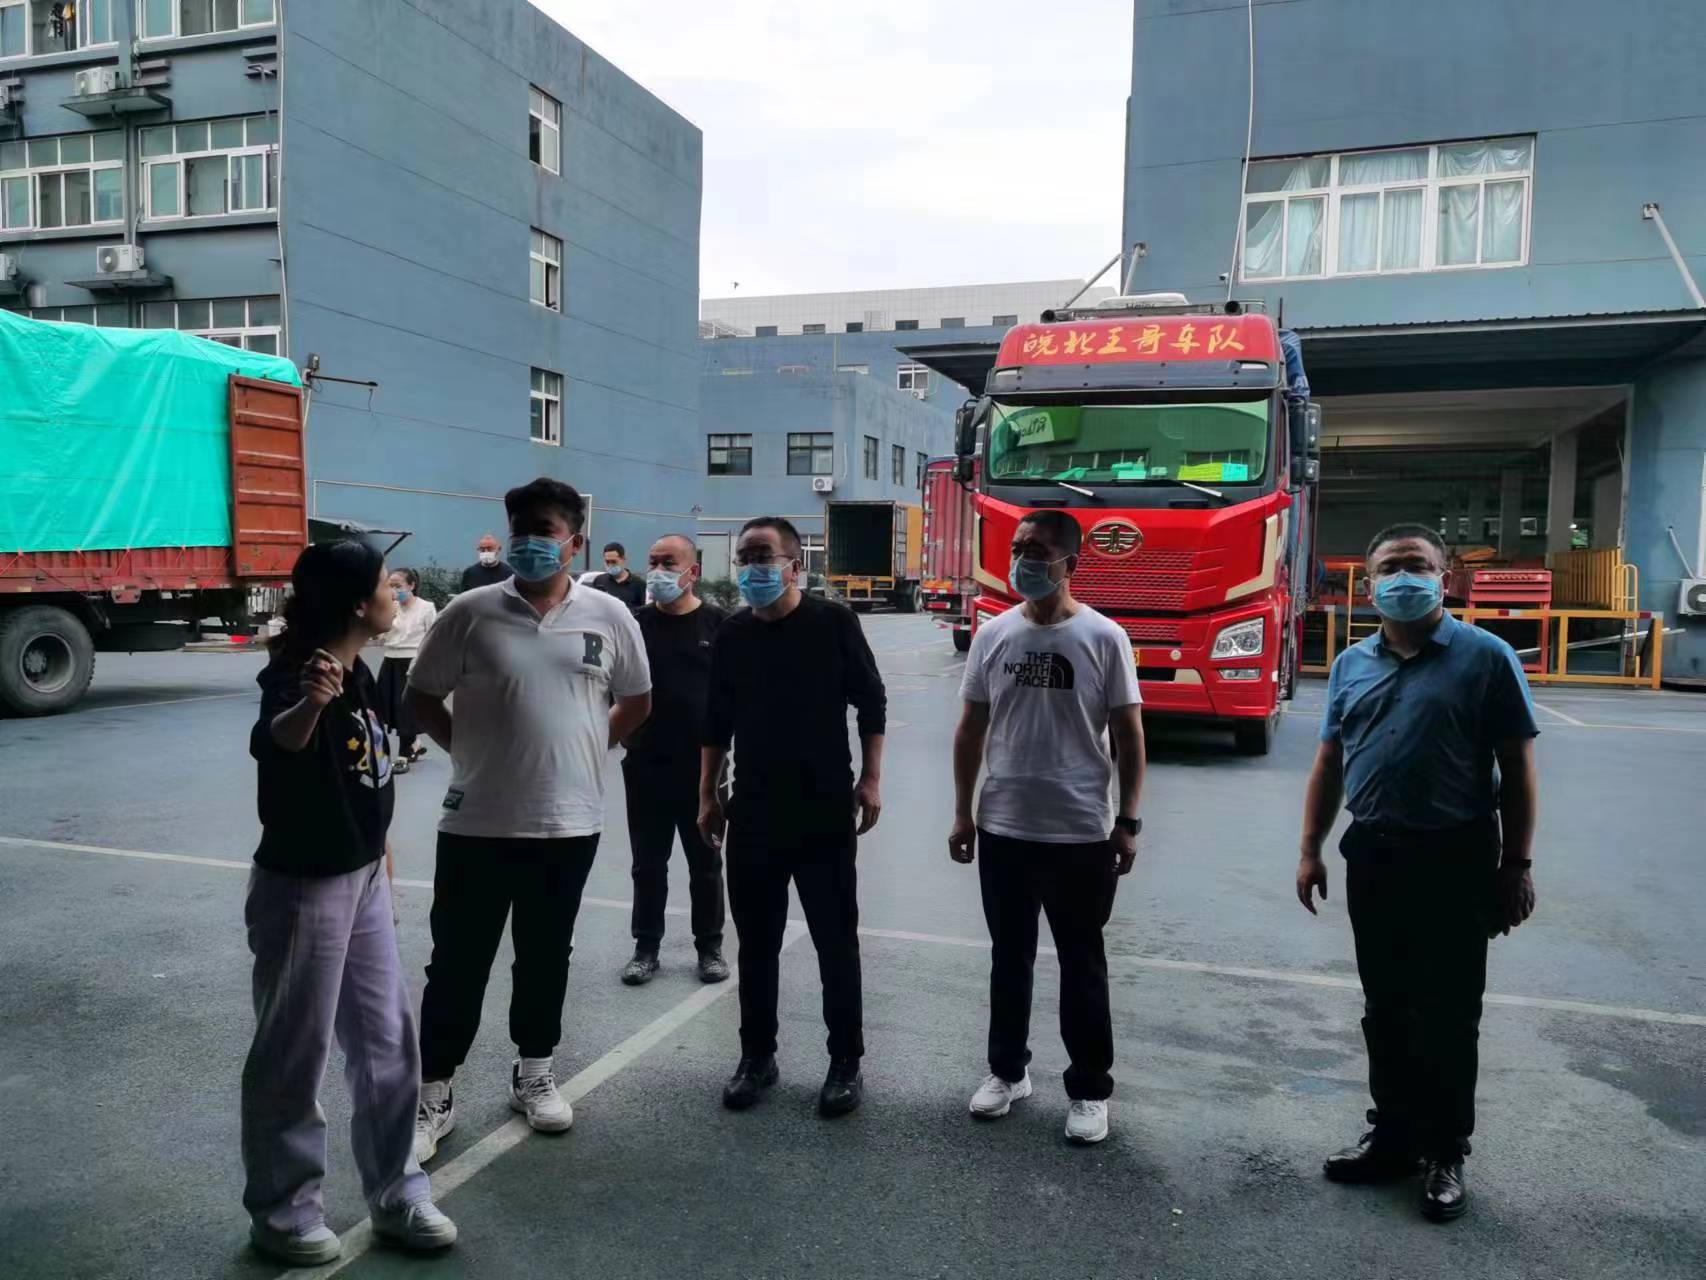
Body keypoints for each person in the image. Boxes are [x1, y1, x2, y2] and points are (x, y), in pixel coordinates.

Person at [1296, 522, 1539, 1223]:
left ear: (1444, 577)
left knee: (1449, 1013)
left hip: (1455, 857)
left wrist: (1516, 865)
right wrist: (1311, 848)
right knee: (1386, 1007)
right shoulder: (1351, 664)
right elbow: (1330, 761)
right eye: (1390, 567)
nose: (1404, 577)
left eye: (1418, 565)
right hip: (1374, 853)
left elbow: (1518, 770)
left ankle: (1444, 1150)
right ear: (1370, 583)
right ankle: (1393, 1138)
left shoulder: (1487, 658)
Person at [406, 478, 652, 1163]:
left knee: (545, 955)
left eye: (543, 529)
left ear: (575, 541)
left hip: (568, 824)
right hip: (476, 823)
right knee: (458, 961)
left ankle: (534, 1072)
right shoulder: (469, 611)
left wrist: (587, 748)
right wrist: (466, 752)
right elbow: (421, 695)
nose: (527, 542)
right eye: (519, 529)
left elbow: (637, 700)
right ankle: (434, 1091)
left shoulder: (610, 615)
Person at [242, 540, 456, 1265]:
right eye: (387, 586)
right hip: (305, 885)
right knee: (293, 1052)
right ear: (359, 603)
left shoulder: (359, 669)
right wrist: (310, 703)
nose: (397, 595)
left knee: (387, 1041)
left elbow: (364, 774)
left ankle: (398, 1194)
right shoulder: (303, 671)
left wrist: (379, 851)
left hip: (360, 876)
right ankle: (284, 1213)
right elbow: (275, 741)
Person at [948, 509, 1145, 1146]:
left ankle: (1089, 1089)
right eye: (1017, 548)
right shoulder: (994, 634)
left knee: (1082, 963)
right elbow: (970, 729)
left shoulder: (1104, 637)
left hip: (1080, 832)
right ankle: (1008, 1072)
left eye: (1036, 550)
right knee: (1009, 958)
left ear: (1070, 563)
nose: (1022, 561)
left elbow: (1130, 735)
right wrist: (963, 812)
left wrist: (1128, 820)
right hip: (1004, 826)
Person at [699, 516, 885, 1117]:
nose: (752, 568)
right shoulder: (732, 634)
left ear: (793, 566)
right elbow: (716, 721)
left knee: (835, 940)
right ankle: (757, 1057)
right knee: (756, 944)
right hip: (754, 808)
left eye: (764, 556)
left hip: (823, 806)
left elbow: (872, 701)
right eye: (745, 557)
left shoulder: (833, 623)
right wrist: (708, 794)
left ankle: (846, 1061)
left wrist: (871, 779)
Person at [618, 533, 730, 986]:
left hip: (706, 769)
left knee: (706, 863)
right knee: (647, 863)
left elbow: (736, 695)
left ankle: (710, 948)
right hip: (646, 765)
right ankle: (646, 948)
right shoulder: (633, 624)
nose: (659, 572)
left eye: (669, 563)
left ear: (692, 572)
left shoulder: (719, 626)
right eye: (653, 562)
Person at [376, 568, 436, 773]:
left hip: (412, 661)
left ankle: (403, 754)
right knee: (384, 706)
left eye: (398, 585)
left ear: (411, 585)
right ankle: (414, 744)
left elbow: (433, 638)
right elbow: (380, 634)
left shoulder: (426, 608)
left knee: (405, 709)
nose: (394, 590)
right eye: (390, 586)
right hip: (390, 660)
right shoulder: (389, 607)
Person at [593, 541, 647, 611]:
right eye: (607, 562)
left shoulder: (639, 584)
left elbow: (643, 612)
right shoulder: (599, 581)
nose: (610, 565)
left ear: (623, 559)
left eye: (613, 562)